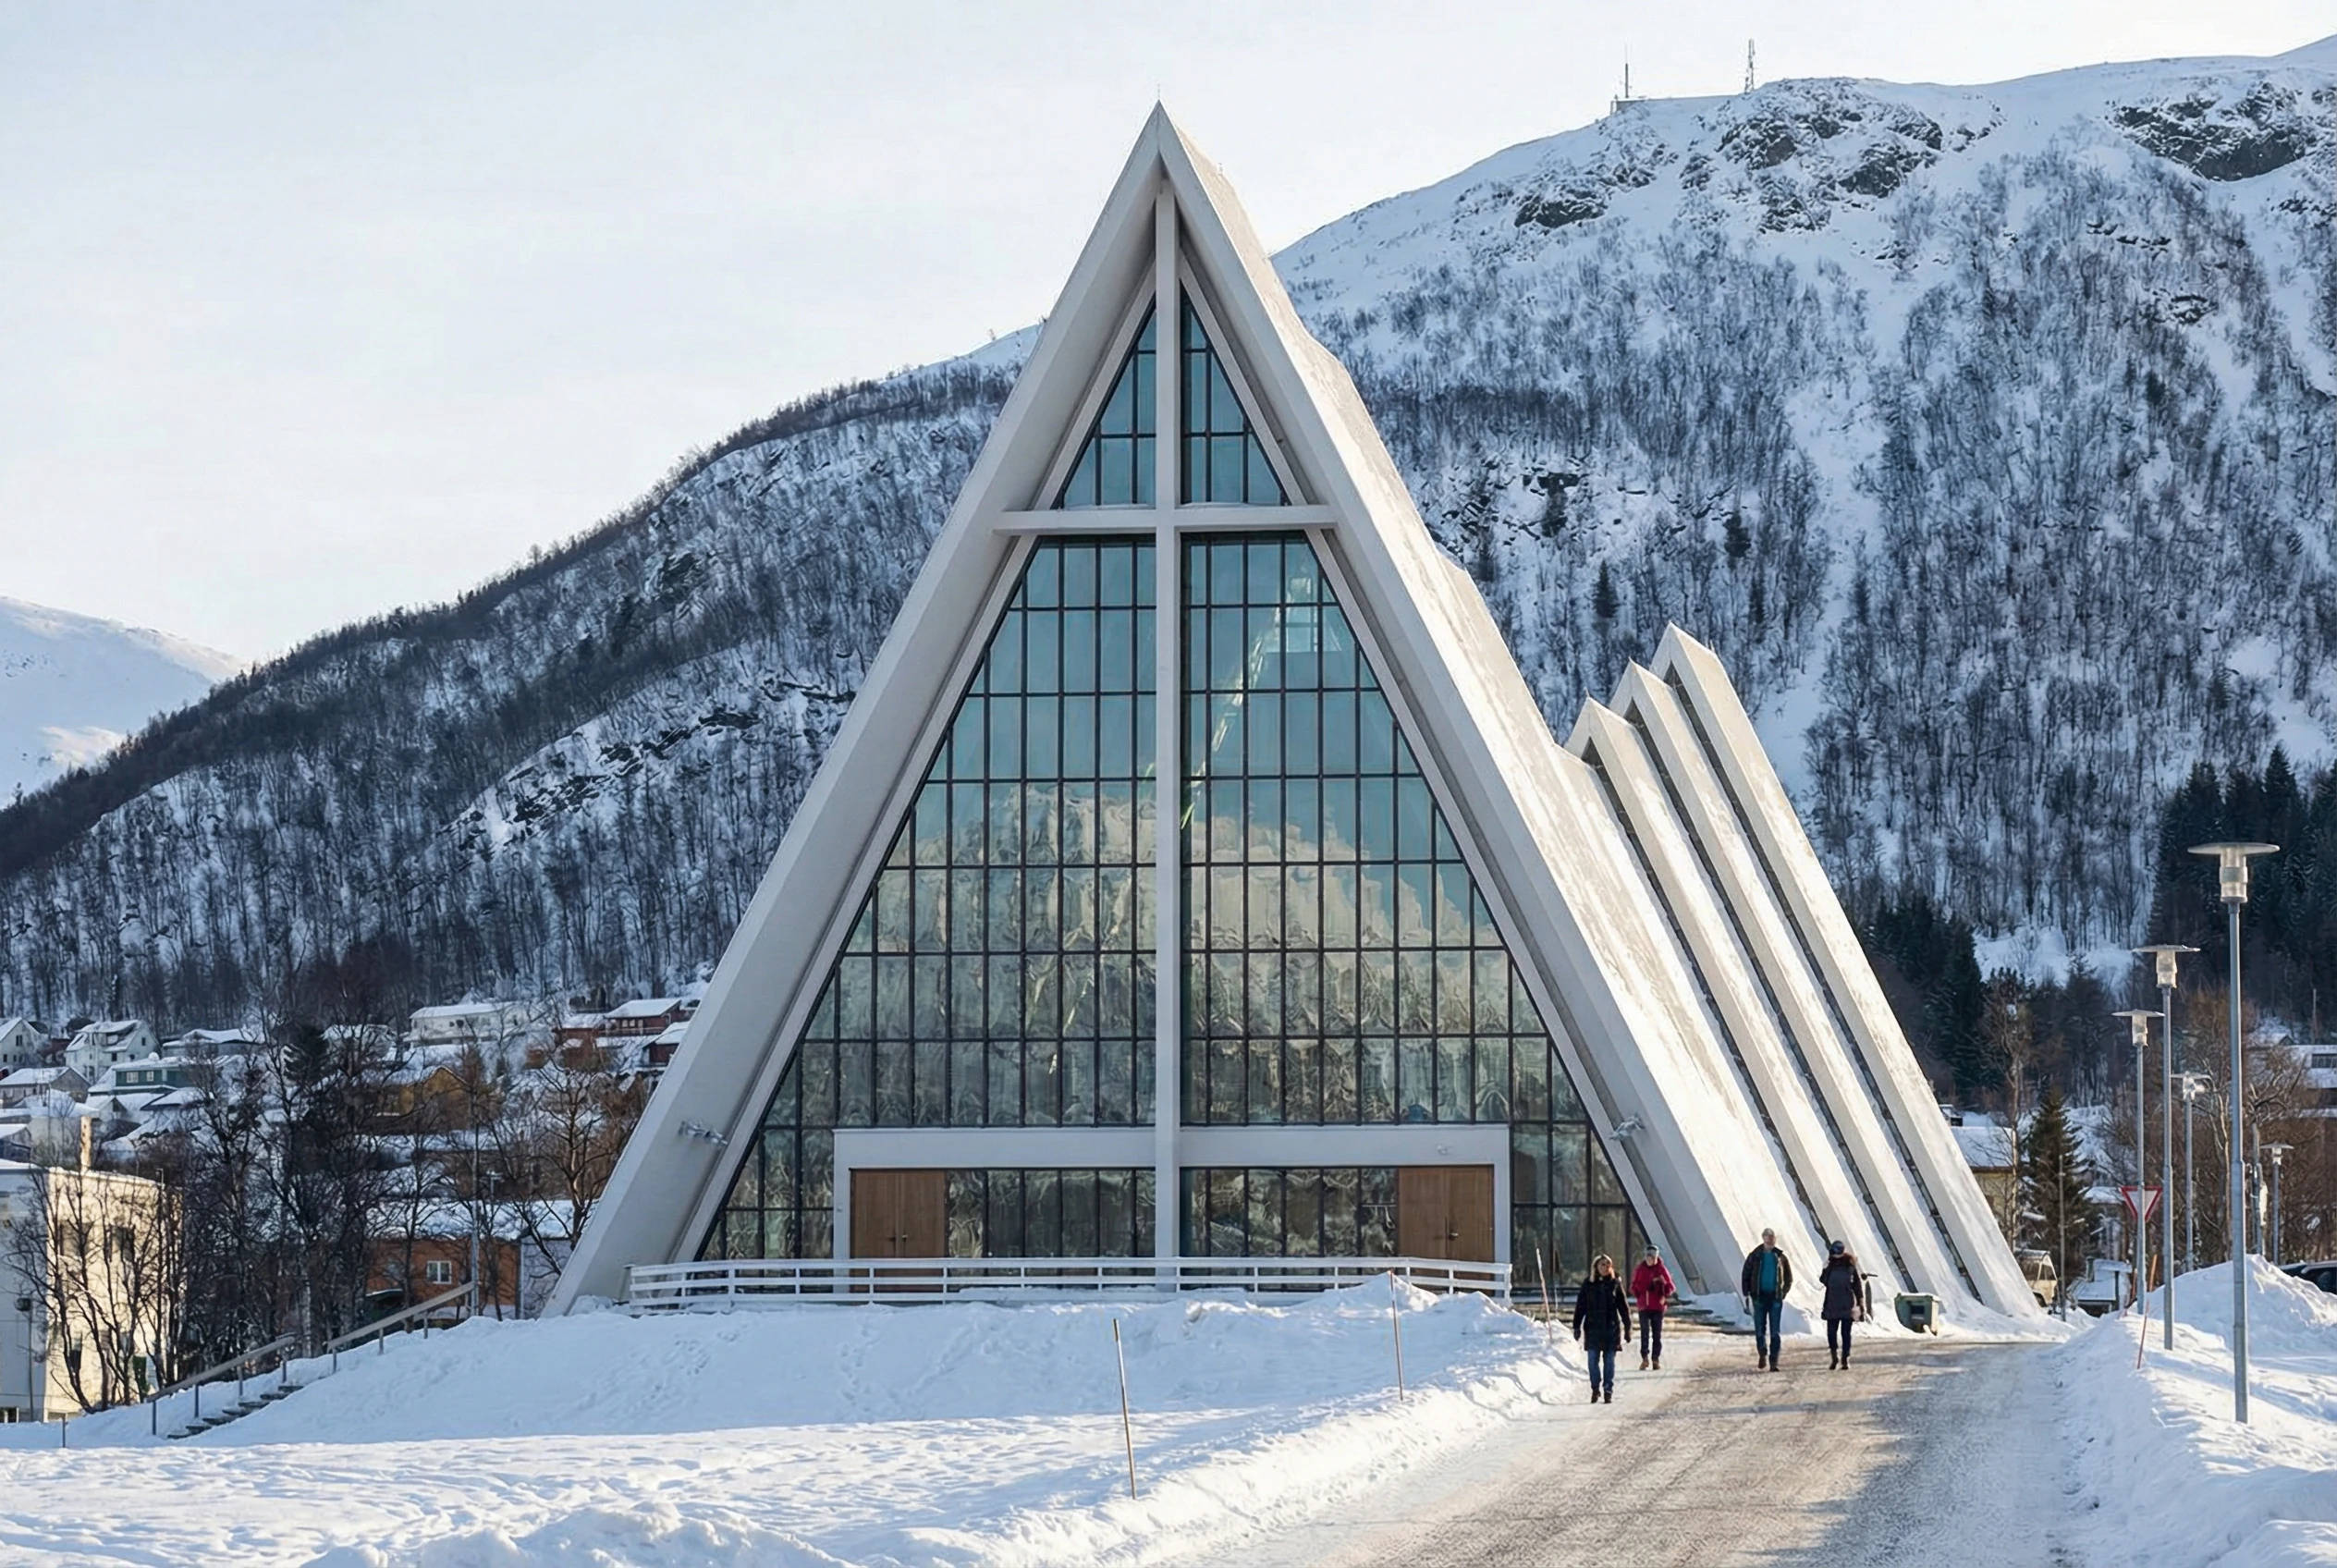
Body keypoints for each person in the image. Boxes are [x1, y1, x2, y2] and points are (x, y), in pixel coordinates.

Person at [1571, 1254, 1633, 1403]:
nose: (1605, 1267)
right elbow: (1581, 1306)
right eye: (1602, 1265)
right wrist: (1576, 1326)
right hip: (1593, 1328)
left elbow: (1623, 1307)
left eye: (1607, 1265)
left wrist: (1628, 1327)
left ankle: (1608, 1389)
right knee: (1592, 1360)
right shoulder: (1588, 1284)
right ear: (1596, 1267)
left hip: (1610, 1328)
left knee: (1609, 1361)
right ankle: (1595, 1387)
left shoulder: (1615, 1284)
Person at [1740, 1227, 1793, 1371]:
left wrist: (1783, 1293)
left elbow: (1788, 1277)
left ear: (1775, 1239)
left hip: (1775, 1298)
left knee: (1775, 1331)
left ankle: (1774, 1361)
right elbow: (1746, 1273)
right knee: (1760, 1329)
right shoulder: (1755, 1256)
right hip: (1759, 1298)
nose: (1769, 1240)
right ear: (1763, 1238)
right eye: (1767, 1237)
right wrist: (1747, 1292)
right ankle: (1762, 1353)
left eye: (1772, 1237)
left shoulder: (1781, 1257)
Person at [1629, 1243, 1676, 1370]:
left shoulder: (1661, 1269)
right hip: (1644, 1306)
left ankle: (1655, 1359)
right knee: (1644, 1332)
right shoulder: (1640, 1269)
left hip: (1657, 1307)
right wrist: (1639, 1293)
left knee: (1657, 1334)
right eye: (1648, 1257)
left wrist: (1663, 1285)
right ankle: (1644, 1357)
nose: (1650, 1259)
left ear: (1656, 1257)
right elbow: (1633, 1285)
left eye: (1652, 1257)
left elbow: (1671, 1288)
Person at [1818, 1240, 1863, 1368]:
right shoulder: (1830, 1266)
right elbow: (1823, 1280)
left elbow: (1857, 1285)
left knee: (1845, 1333)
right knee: (1831, 1333)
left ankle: (1845, 1358)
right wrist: (1826, 1268)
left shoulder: (1850, 1266)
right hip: (1832, 1303)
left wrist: (1860, 1303)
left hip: (1846, 1304)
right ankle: (1834, 1357)